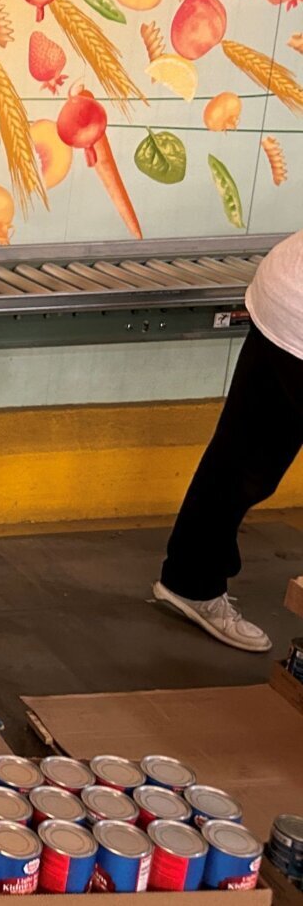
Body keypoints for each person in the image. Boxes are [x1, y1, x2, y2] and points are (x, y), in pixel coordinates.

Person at [155, 228, 302, 652]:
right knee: (247, 458)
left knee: (244, 458)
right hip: (296, 308)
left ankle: (190, 582)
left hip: (286, 289)